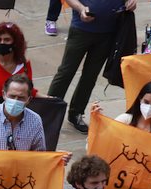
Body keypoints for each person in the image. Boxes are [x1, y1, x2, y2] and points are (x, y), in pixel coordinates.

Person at [47, 0, 137, 135]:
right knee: (66, 71)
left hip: (108, 33)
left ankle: (76, 112)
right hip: (81, 30)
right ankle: (48, 113)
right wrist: (81, 8)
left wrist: (131, 2)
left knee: (90, 75)